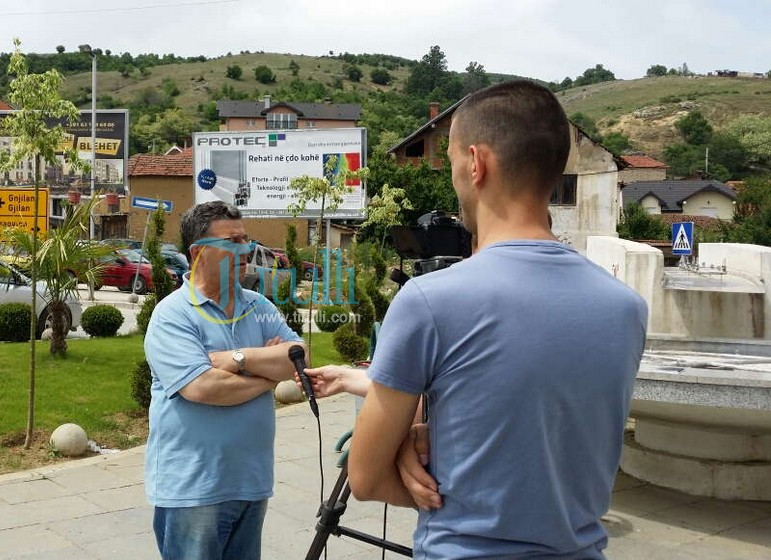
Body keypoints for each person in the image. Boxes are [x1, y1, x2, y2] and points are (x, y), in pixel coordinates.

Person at [346, 80, 649, 558]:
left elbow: (364, 478)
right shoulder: (627, 307)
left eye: (450, 163)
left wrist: (416, 457)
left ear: (475, 162)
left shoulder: (429, 300)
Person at [143, 201, 305, 560]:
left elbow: (300, 357)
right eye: (232, 242)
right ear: (199, 253)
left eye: (246, 240)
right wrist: (268, 372)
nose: (245, 251)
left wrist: (240, 360)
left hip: (251, 482)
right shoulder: (172, 315)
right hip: (194, 490)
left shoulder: (259, 306)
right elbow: (204, 388)